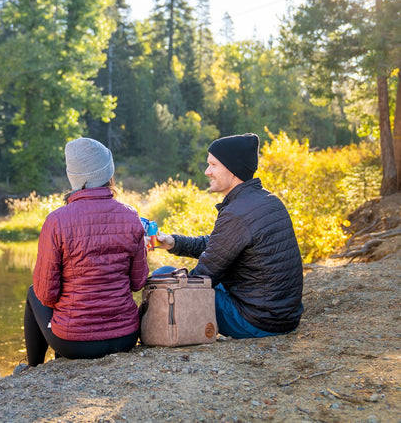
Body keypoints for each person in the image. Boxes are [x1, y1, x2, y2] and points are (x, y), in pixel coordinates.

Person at [153, 133, 303, 339]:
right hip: (284, 317)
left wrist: (175, 284)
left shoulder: (238, 212)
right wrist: (174, 243)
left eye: (213, 165)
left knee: (164, 273)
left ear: (232, 169)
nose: (207, 172)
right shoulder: (267, 200)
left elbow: (205, 275)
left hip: (257, 321)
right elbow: (218, 245)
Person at [19, 137, 149, 369]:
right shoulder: (131, 215)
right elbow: (138, 283)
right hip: (126, 337)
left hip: (74, 343)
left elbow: (46, 294)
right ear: (109, 173)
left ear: (74, 178)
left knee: (33, 293)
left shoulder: (57, 220)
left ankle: (33, 368)